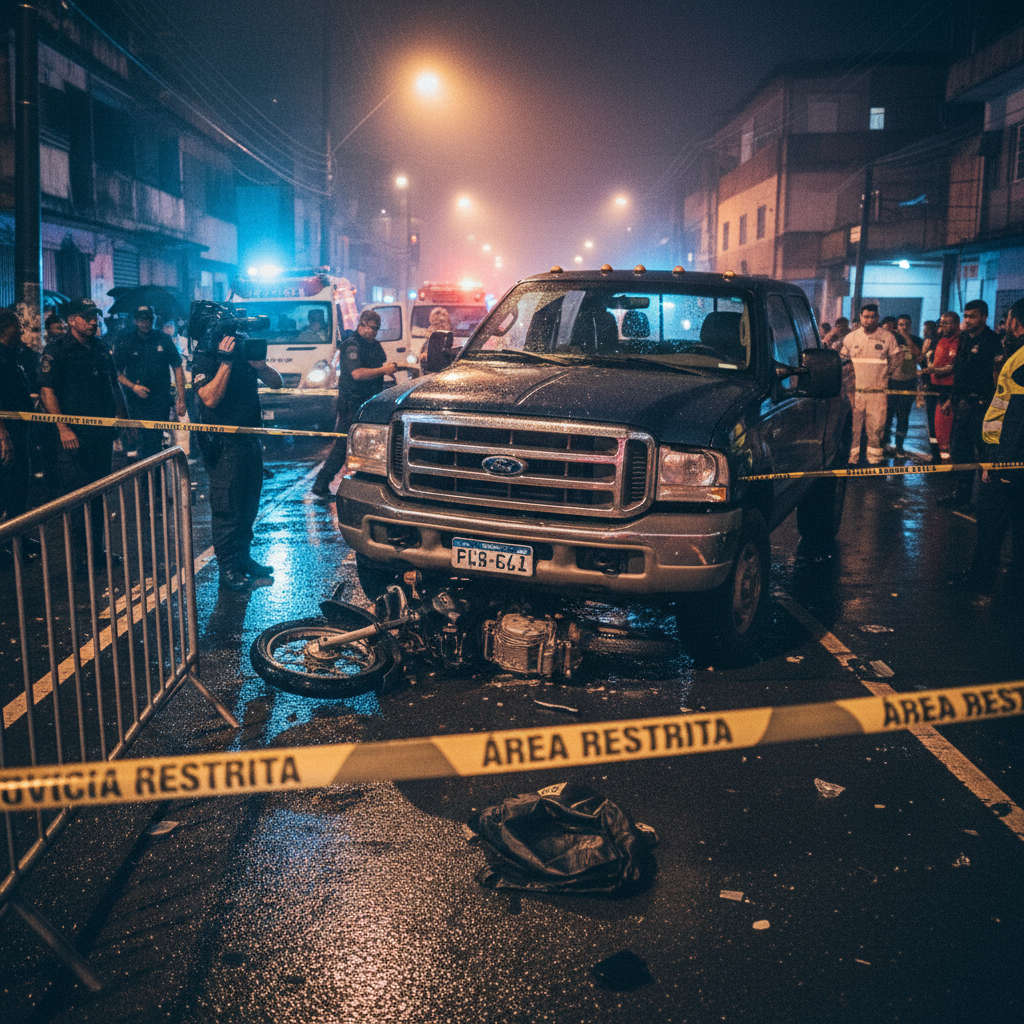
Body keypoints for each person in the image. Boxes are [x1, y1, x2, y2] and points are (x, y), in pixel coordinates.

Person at [37, 298, 129, 566]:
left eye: (95, 316)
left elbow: (113, 385)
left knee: (98, 495)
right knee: (79, 498)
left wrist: (124, 419)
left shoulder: (100, 347)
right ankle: (80, 559)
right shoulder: (57, 350)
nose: (93, 321)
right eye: (87, 316)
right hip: (73, 439)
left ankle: (96, 552)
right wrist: (63, 428)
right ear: (71, 320)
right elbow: (47, 391)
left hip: (100, 436)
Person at [191, 330, 283, 592]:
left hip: (250, 440)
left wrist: (260, 366)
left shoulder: (245, 354)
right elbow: (210, 398)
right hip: (222, 444)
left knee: (248, 507)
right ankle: (228, 569)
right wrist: (226, 362)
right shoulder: (206, 358)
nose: (235, 339)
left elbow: (277, 383)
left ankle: (243, 560)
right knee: (227, 509)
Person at [960, 297, 1024, 598]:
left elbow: (1015, 417)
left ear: (1017, 323)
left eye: (1009, 319)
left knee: (992, 523)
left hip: (1011, 464)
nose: (1006, 325)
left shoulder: (1021, 360)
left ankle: (980, 582)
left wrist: (997, 462)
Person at [311, 308, 396, 497]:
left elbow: (378, 364)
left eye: (377, 329)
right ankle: (321, 483)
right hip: (352, 403)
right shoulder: (352, 345)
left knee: (368, 442)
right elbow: (357, 374)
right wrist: (383, 371)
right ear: (362, 324)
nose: (374, 332)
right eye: (372, 328)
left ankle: (364, 481)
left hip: (369, 402)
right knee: (343, 444)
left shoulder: (373, 345)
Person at [942, 299, 1002, 508]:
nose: (967, 320)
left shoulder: (992, 341)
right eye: (965, 316)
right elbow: (960, 372)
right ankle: (962, 495)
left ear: (984, 317)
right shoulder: (965, 339)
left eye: (972, 316)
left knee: (983, 451)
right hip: (962, 403)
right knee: (960, 450)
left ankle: (986, 498)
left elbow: (995, 377)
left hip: (982, 403)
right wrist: (952, 398)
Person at [115, 305, 187, 461]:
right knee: (140, 441)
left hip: (160, 400)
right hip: (136, 401)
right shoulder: (127, 341)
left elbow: (177, 367)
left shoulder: (163, 339)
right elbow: (117, 373)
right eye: (142, 319)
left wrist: (181, 399)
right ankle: (142, 481)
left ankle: (155, 479)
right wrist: (133, 387)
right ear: (135, 321)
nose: (145, 323)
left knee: (155, 441)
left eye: (148, 319)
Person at [841, 303, 900, 465]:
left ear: (877, 318)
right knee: (854, 428)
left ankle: (874, 461)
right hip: (855, 392)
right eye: (865, 317)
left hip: (877, 393)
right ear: (860, 317)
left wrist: (887, 376)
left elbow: (896, 358)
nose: (869, 320)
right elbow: (844, 363)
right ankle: (852, 461)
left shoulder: (887, 337)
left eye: (872, 317)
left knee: (876, 428)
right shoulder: (851, 338)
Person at [0, 309, 35, 532]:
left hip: (20, 431)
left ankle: (17, 537)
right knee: (7, 488)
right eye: (17, 324)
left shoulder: (11, 354)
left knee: (20, 487)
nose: (21, 329)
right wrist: (3, 437)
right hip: (7, 434)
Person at [882, 313, 924, 457]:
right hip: (892, 382)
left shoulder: (917, 340)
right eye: (901, 324)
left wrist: (906, 338)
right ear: (897, 326)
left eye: (907, 324)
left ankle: (900, 445)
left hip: (908, 382)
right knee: (887, 416)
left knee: (903, 416)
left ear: (911, 325)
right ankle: (885, 444)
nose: (904, 327)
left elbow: (919, 356)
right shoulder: (890, 340)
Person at [927, 312, 960, 461]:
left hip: (949, 388)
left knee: (947, 424)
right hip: (935, 387)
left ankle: (949, 457)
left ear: (955, 324)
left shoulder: (960, 341)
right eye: (941, 323)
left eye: (946, 323)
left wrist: (935, 371)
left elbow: (954, 366)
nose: (941, 326)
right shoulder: (940, 340)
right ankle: (936, 455)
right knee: (935, 424)